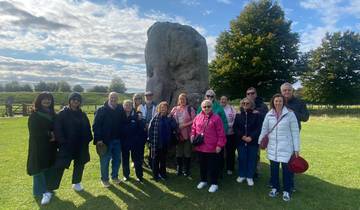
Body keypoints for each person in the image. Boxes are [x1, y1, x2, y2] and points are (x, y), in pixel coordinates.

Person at [258, 93, 300, 202]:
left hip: (287, 148)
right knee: (274, 170)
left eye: (280, 101)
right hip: (272, 148)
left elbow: (295, 132)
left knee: (287, 170)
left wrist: (296, 149)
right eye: (276, 101)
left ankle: (287, 190)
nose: (278, 103)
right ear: (273, 102)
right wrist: (260, 142)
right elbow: (264, 129)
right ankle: (275, 188)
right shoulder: (269, 114)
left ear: (283, 102)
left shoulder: (290, 114)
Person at [53, 92, 93, 192]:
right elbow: (58, 129)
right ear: (69, 101)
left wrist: (88, 139)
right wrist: (62, 142)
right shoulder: (62, 114)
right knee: (60, 166)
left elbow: (87, 127)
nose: (76, 101)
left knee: (79, 164)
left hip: (80, 145)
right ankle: (51, 188)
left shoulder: (82, 114)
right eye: (73, 99)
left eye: (78, 100)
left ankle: (77, 183)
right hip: (67, 145)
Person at [27, 92, 57, 205]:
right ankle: (39, 192)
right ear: (39, 100)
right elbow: (34, 131)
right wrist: (50, 134)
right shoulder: (35, 115)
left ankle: (48, 189)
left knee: (50, 167)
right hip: (39, 146)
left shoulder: (53, 114)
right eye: (44, 99)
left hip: (51, 146)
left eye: (49, 99)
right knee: (39, 168)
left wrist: (56, 135)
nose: (47, 101)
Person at [191, 100, 226, 193]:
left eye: (208, 106)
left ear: (212, 107)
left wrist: (219, 145)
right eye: (204, 106)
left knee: (213, 166)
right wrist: (192, 135)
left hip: (213, 148)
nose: (206, 108)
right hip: (200, 147)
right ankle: (203, 180)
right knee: (202, 165)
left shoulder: (216, 118)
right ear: (202, 108)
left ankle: (214, 183)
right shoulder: (198, 117)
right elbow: (194, 127)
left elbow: (221, 133)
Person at [92, 92, 126, 187]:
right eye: (112, 97)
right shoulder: (101, 110)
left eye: (115, 98)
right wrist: (98, 139)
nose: (113, 99)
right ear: (108, 98)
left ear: (118, 99)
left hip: (117, 140)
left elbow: (123, 122)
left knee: (117, 160)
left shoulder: (120, 109)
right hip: (105, 141)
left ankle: (114, 177)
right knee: (105, 161)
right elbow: (96, 125)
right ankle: (104, 179)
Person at [281, 82, 309, 192]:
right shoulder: (278, 101)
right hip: (280, 135)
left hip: (293, 136)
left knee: (291, 160)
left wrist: (293, 113)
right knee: (279, 159)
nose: (286, 92)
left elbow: (306, 117)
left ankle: (290, 184)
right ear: (281, 92)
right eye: (284, 90)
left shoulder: (300, 102)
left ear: (292, 91)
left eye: (289, 90)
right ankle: (274, 182)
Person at [197, 90, 228, 177]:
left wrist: (221, 137)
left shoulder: (219, 107)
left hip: (216, 139)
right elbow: (197, 121)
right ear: (205, 96)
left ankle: (218, 174)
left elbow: (224, 122)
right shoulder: (201, 107)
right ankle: (205, 175)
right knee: (204, 159)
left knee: (218, 157)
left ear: (214, 97)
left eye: (211, 96)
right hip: (204, 140)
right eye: (208, 96)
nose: (209, 98)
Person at [233, 98, 261, 186]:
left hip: (253, 141)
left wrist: (251, 137)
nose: (245, 104)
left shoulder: (256, 115)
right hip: (241, 141)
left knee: (252, 159)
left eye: (247, 103)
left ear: (251, 104)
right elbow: (235, 127)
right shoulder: (238, 115)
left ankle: (249, 176)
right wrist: (242, 136)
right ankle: (242, 175)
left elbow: (259, 128)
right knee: (242, 158)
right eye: (243, 103)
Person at [148, 101, 177, 181]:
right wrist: (150, 140)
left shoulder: (170, 117)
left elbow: (174, 126)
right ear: (159, 109)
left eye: (165, 107)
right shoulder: (155, 117)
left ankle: (163, 174)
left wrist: (171, 118)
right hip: (156, 143)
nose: (163, 109)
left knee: (163, 160)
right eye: (161, 107)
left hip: (165, 143)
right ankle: (155, 175)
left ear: (167, 109)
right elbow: (150, 129)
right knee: (155, 160)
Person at [170, 93, 196, 177]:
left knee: (187, 152)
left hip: (187, 134)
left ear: (186, 100)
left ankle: (186, 170)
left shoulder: (190, 109)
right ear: (178, 100)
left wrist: (184, 125)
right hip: (178, 134)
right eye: (181, 99)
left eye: (184, 99)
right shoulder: (175, 109)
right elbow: (170, 118)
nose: (182, 100)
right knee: (178, 153)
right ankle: (179, 169)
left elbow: (194, 120)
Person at [245, 87, 269, 178]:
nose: (250, 95)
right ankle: (246, 170)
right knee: (245, 153)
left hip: (257, 134)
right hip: (245, 134)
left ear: (256, 94)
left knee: (255, 154)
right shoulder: (244, 104)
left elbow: (266, 119)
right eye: (248, 93)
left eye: (252, 93)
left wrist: (256, 112)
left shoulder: (262, 106)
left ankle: (255, 172)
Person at [122, 100, 146, 182]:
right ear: (123, 106)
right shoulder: (120, 116)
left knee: (137, 160)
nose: (128, 106)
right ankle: (126, 175)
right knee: (125, 159)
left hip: (135, 142)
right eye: (126, 105)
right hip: (124, 142)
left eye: (129, 105)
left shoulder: (137, 115)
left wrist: (139, 120)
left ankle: (139, 176)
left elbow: (142, 128)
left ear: (132, 106)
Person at [138, 91, 157, 168]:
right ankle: (141, 161)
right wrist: (145, 124)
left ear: (152, 97)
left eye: (150, 96)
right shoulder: (141, 106)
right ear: (145, 97)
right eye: (147, 96)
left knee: (151, 146)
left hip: (152, 129)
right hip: (143, 129)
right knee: (141, 146)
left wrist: (150, 125)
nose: (148, 97)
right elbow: (139, 117)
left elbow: (156, 116)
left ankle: (151, 162)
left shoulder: (156, 105)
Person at [219, 95, 237, 175]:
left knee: (230, 151)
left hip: (230, 134)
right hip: (220, 134)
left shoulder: (232, 109)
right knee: (220, 152)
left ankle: (230, 168)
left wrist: (228, 125)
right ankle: (221, 167)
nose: (223, 101)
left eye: (225, 99)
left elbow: (235, 119)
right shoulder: (218, 109)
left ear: (227, 100)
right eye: (222, 99)